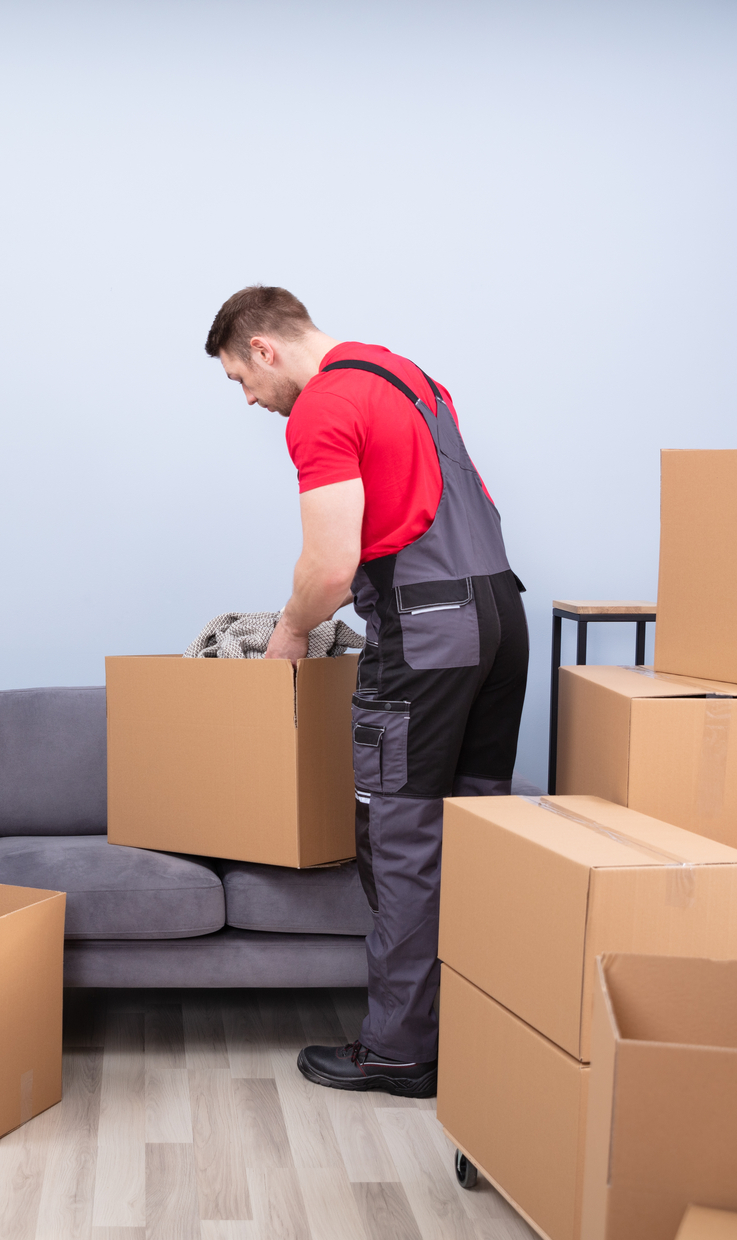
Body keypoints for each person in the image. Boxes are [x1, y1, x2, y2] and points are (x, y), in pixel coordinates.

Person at [206, 286, 528, 1098]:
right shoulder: (407, 375)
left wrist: (288, 633)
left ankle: (398, 1049)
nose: (249, 400)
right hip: (499, 615)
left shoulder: (322, 409)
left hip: (428, 629)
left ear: (263, 349)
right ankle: (484, 1032)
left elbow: (330, 566)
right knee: (477, 825)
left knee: (402, 835)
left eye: (240, 380)